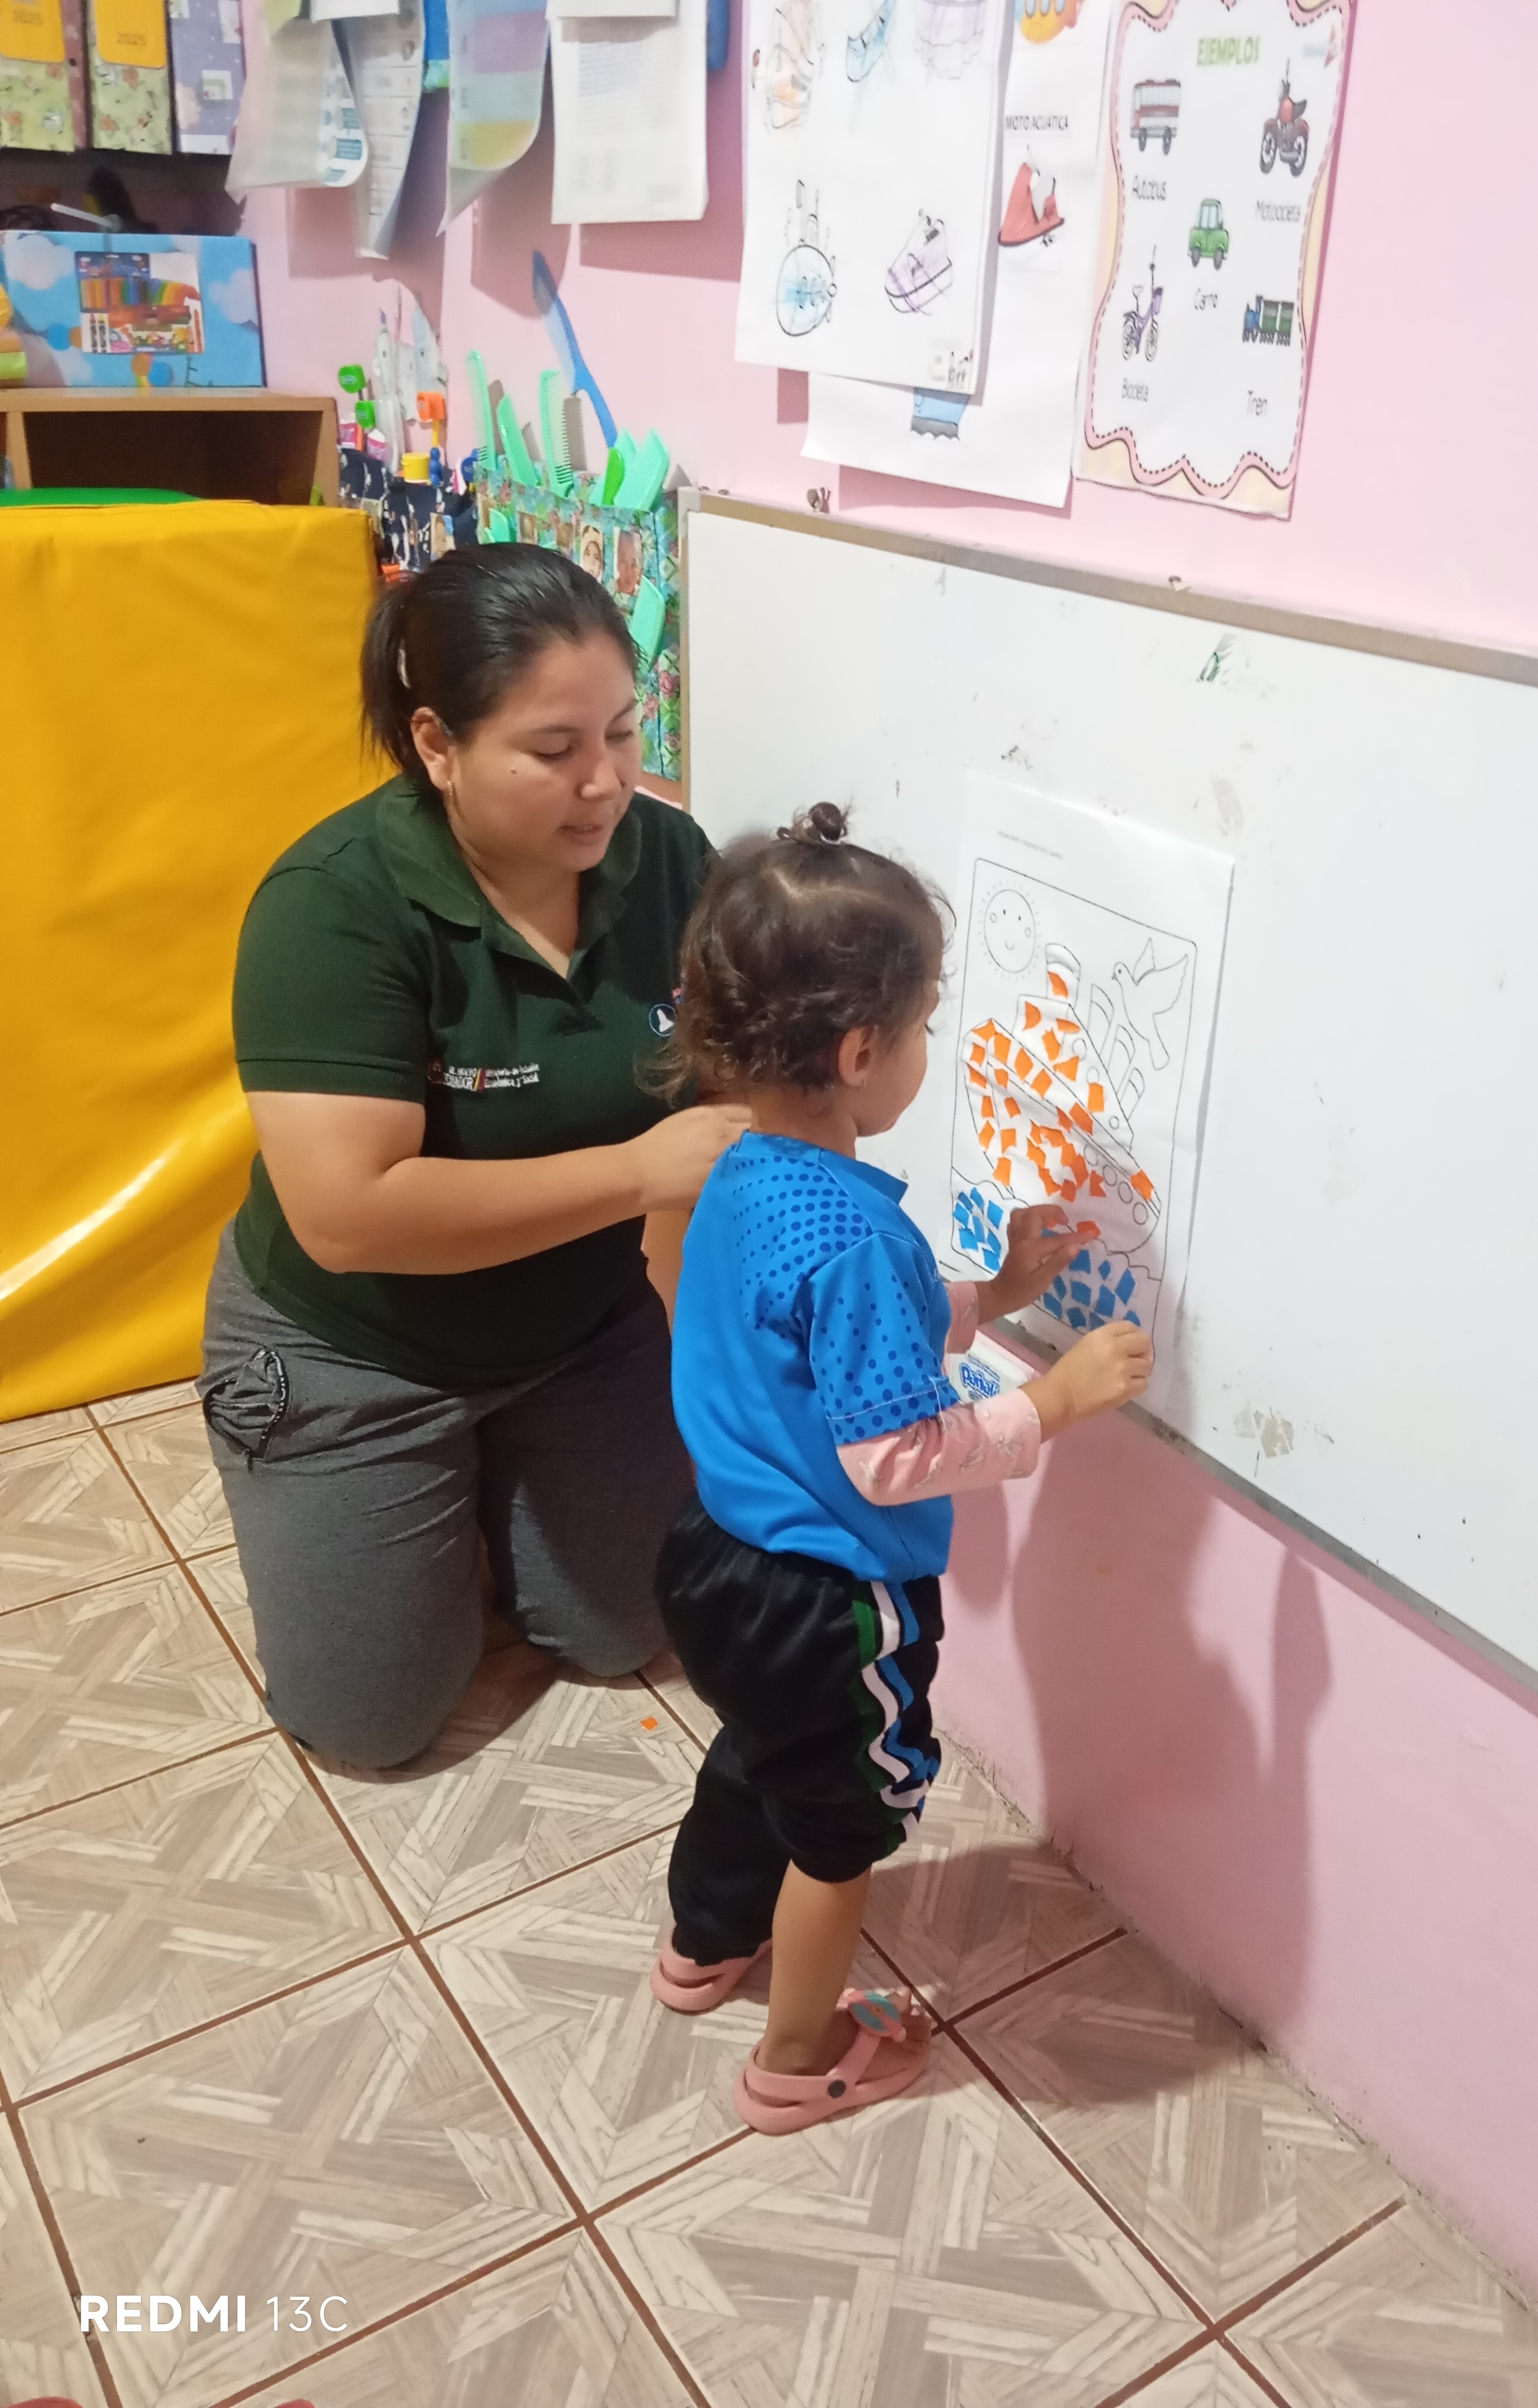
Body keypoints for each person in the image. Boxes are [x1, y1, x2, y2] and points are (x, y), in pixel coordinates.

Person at [196, 547, 748, 1769]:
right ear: (437, 744)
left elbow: (740, 1072)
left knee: (623, 1631)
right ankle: (370, 1472)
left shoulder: (668, 859)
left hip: (579, 1325)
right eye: (553, 750)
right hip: (359, 1350)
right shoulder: (331, 906)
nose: (605, 782)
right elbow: (348, 1216)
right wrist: (642, 1175)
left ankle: (500, 1475)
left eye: (623, 731)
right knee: (372, 1725)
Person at [647, 802, 1153, 2133]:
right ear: (862, 1052)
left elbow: (822, 1348)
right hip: (828, 1601)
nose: (931, 1050)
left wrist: (992, 1294)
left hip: (717, 1564)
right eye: (926, 1027)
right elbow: (893, 1454)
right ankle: (796, 2059)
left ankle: (702, 1944)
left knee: (755, 1753)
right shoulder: (857, 1237)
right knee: (838, 1837)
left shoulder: (745, 1173)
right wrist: (1050, 1402)